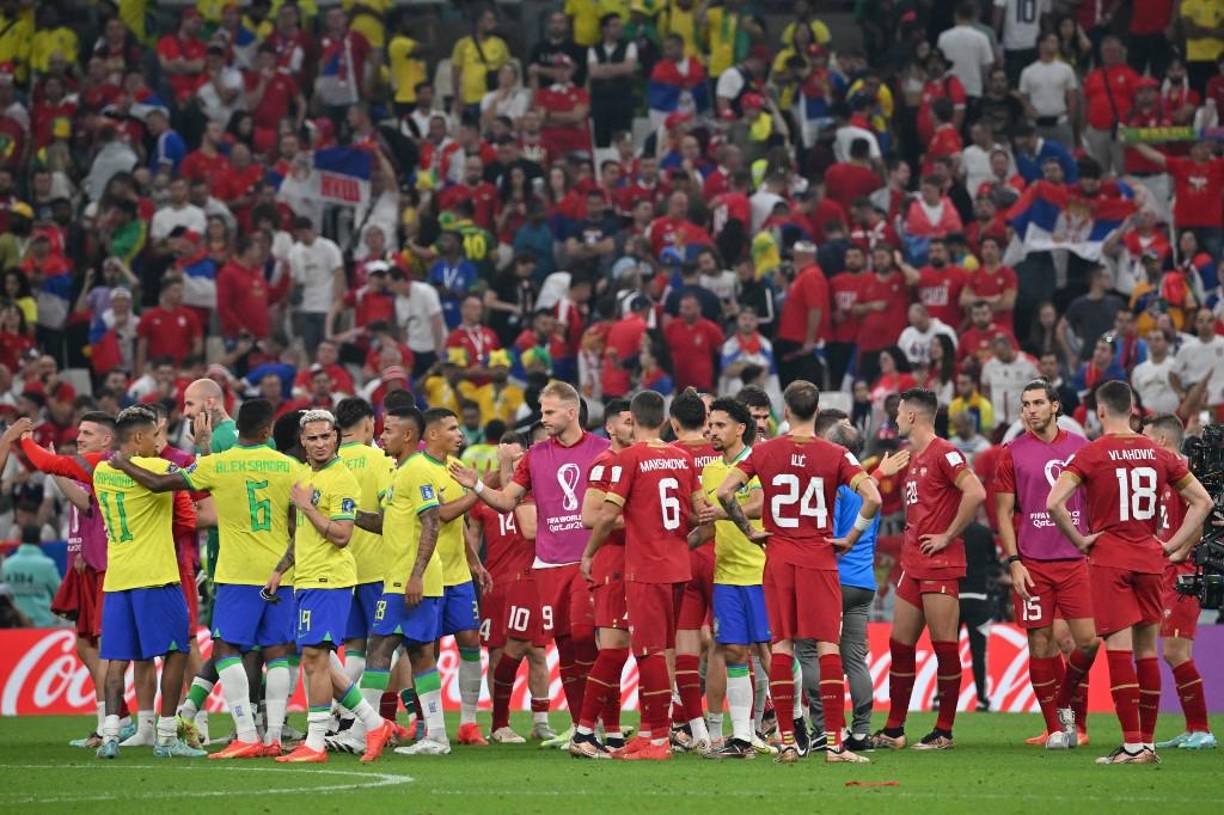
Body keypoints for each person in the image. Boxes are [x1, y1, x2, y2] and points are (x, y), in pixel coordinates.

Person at [110, 398, 307, 759]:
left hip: (236, 574)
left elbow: (158, 484)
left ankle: (246, 734)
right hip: (282, 573)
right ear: (267, 430)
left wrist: (123, 464)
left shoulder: (218, 465)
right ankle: (274, 736)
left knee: (225, 649)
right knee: (278, 651)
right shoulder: (290, 467)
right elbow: (300, 521)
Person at [1046, 381, 1212, 764]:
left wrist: (1081, 540)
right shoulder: (1159, 453)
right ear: (1132, 410)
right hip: (1151, 561)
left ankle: (1132, 744)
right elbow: (1201, 501)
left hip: (1111, 560)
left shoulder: (1091, 453)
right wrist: (1171, 546)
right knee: (1146, 653)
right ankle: (1148, 745)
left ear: (1101, 411)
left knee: (1119, 651)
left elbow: (1055, 502)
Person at [717, 380, 882, 764]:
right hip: (819, 558)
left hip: (777, 557)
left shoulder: (766, 451)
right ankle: (834, 744)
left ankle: (788, 742)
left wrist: (750, 530)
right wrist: (852, 536)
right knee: (827, 646)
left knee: (781, 645)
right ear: (818, 408)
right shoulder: (837, 453)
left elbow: (725, 493)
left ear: (785, 411)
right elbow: (872, 495)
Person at [450, 381, 607, 748]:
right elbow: (506, 501)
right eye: (541, 411)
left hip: (589, 560)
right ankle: (585, 729)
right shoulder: (536, 456)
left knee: (589, 639)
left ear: (572, 412)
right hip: (549, 565)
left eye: (549, 411)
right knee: (566, 648)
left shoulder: (602, 450)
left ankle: (604, 724)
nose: (543, 418)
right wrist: (476, 487)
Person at [576, 390, 695, 762]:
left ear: (634, 420)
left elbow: (605, 515)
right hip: (677, 564)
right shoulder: (681, 457)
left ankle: (657, 740)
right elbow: (699, 510)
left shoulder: (628, 459)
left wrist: (589, 552)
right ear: (664, 420)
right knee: (660, 649)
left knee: (648, 652)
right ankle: (647, 733)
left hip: (645, 568)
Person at [871, 388, 986, 751]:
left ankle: (944, 731)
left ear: (912, 417)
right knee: (899, 644)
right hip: (912, 563)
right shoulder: (914, 458)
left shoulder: (945, 453)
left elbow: (976, 492)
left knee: (944, 647)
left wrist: (948, 534)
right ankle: (894, 730)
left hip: (940, 563)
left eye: (899, 412)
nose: (894, 418)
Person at [90, 406, 205, 759]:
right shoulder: (156, 466)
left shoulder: (100, 471)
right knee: (177, 651)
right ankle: (167, 736)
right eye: (156, 435)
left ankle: (109, 733)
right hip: (156, 577)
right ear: (139, 438)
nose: (161, 443)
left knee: (116, 659)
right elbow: (195, 476)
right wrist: (200, 443)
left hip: (118, 579)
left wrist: (124, 464)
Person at [994, 380, 1096, 749]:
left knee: (1085, 642)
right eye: (1026, 404)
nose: (1031, 410)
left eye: (1038, 403)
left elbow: (1097, 502)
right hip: (1034, 563)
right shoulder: (1012, 452)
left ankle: (1072, 715)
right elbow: (1003, 514)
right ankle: (1057, 728)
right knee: (1041, 644)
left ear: (1055, 406)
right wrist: (1014, 561)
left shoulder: (1082, 449)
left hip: (1075, 561)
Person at [800, 411, 901, 753]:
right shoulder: (867, 486)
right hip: (863, 582)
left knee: (809, 650)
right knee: (855, 658)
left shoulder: (833, 484)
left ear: (837, 448)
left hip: (832, 577)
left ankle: (824, 728)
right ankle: (860, 733)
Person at [689, 397, 768, 759]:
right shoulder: (709, 472)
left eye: (720, 425)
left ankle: (793, 725)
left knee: (771, 653)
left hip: (761, 569)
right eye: (710, 425)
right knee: (734, 650)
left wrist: (720, 511)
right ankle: (742, 738)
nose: (711, 431)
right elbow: (707, 528)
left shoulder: (759, 462)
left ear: (740, 428)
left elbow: (760, 505)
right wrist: (679, 547)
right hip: (725, 572)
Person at [1143, 414, 1217, 751]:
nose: (1140, 443)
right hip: (1166, 570)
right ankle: (1195, 729)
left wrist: (1179, 551)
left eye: (1144, 437)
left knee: (1174, 650)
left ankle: (1202, 729)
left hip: (1182, 572)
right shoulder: (1160, 472)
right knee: (1178, 651)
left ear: (1159, 440)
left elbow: (1201, 512)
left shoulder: (1182, 470)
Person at [568, 398, 635, 758]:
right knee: (613, 650)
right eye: (626, 421)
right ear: (610, 427)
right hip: (615, 562)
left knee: (618, 653)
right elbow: (590, 516)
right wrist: (644, 522)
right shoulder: (605, 463)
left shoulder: (634, 461)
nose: (633, 426)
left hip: (633, 562)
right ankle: (582, 733)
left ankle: (611, 734)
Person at [333, 398, 396, 737]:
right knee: (384, 646)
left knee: (353, 648)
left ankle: (340, 714)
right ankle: (365, 722)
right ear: (370, 424)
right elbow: (390, 515)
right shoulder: (380, 460)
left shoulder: (328, 461)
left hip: (340, 569)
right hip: (376, 568)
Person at [667, 390, 721, 752]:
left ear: (673, 422)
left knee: (682, 645)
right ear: (707, 420)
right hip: (725, 554)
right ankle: (723, 730)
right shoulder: (723, 450)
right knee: (729, 646)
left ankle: (690, 726)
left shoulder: (667, 455)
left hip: (684, 552)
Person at [0, 529, 61, 627]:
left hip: (15, 626)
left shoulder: (6, 565)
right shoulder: (47, 565)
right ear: (40, 541)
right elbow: (60, 595)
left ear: (20, 540)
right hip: (43, 626)